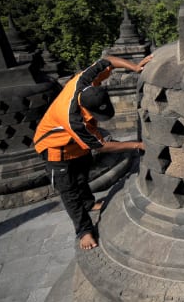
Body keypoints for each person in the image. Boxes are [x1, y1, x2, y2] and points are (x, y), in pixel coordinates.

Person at [34, 54, 152, 250]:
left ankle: (89, 203)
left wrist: (135, 67)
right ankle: (84, 230)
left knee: (82, 175)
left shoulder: (85, 79)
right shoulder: (73, 118)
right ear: (85, 107)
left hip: (76, 145)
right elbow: (101, 146)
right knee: (69, 190)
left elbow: (107, 60)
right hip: (56, 149)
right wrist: (136, 145)